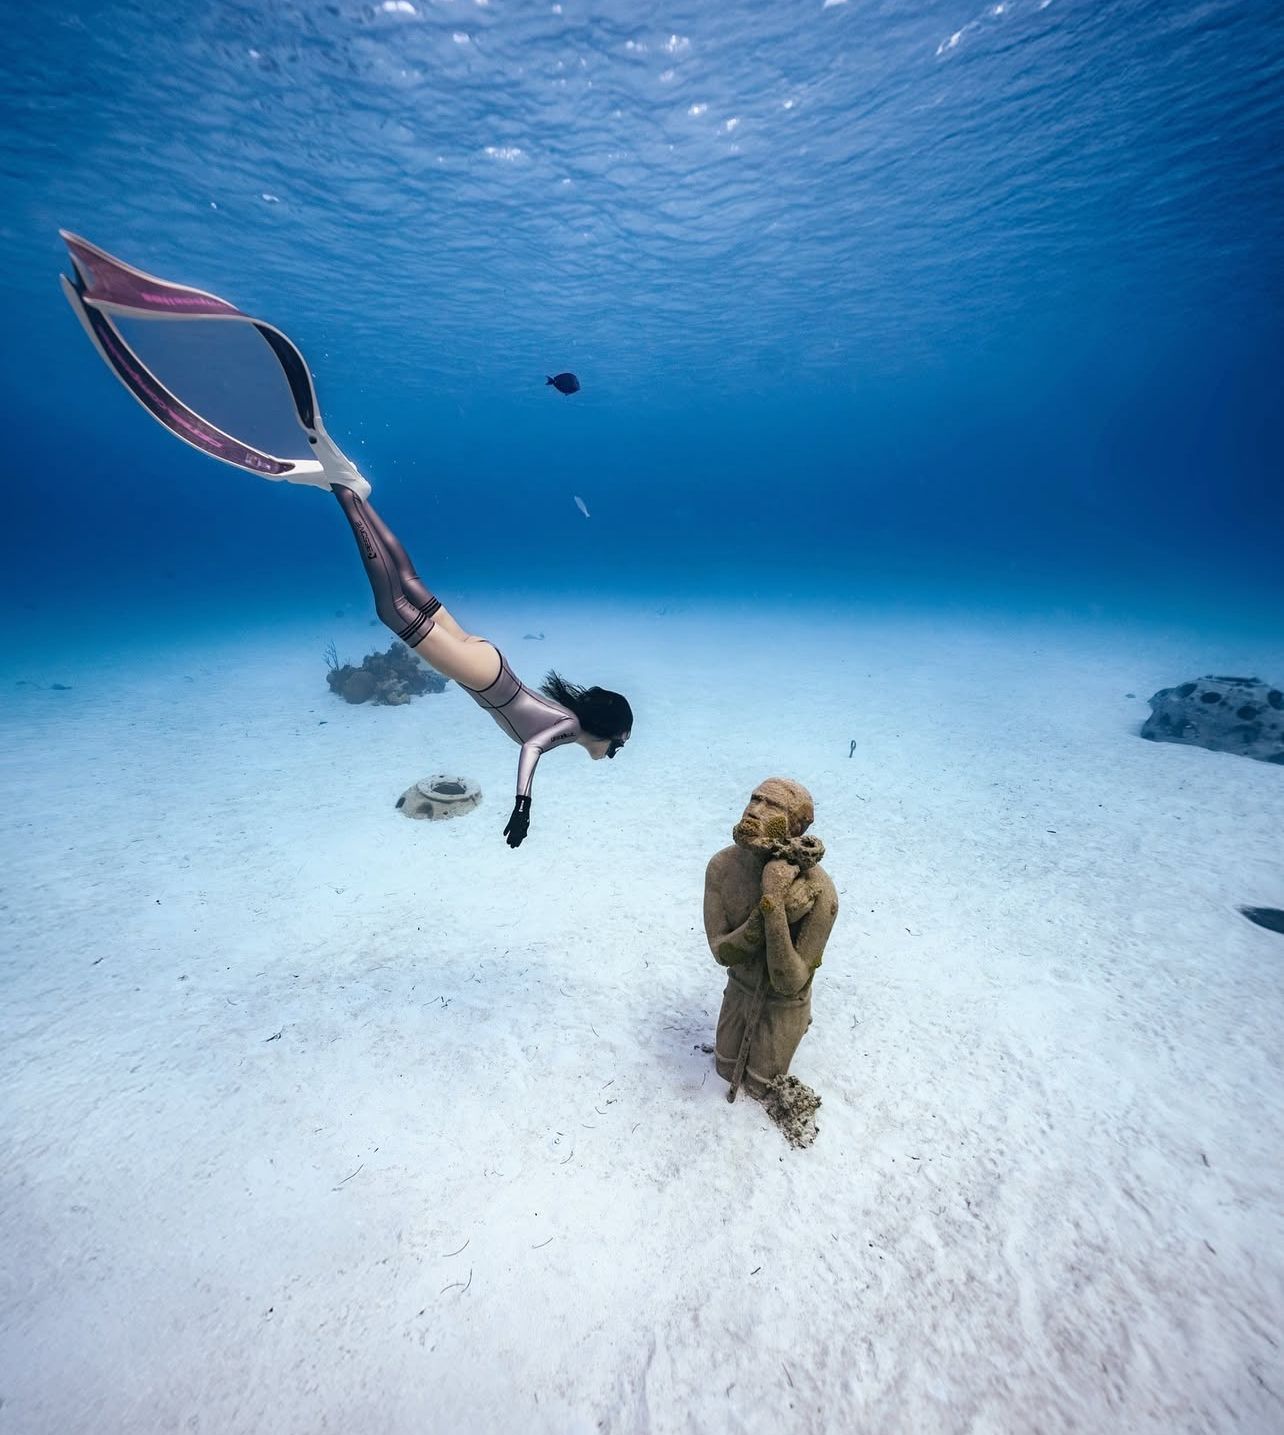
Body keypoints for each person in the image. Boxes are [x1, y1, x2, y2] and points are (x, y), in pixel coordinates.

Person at [57, 231, 632, 847]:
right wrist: (523, 806)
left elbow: (536, 737)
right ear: (604, 731)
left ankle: (351, 487)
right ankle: (342, 490)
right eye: (617, 747)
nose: (612, 755)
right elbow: (534, 749)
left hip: (489, 660)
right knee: (392, 608)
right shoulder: (568, 730)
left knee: (410, 585)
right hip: (484, 674)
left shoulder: (574, 726)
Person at [703, 779, 838, 1098]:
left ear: (797, 826)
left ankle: (797, 1026)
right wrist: (766, 911)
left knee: (761, 1085)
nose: (754, 810)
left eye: (773, 806)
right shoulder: (722, 867)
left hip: (783, 1006)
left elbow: (789, 982)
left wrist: (775, 909)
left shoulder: (820, 891)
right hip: (739, 990)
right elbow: (722, 953)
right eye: (755, 799)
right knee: (724, 1067)